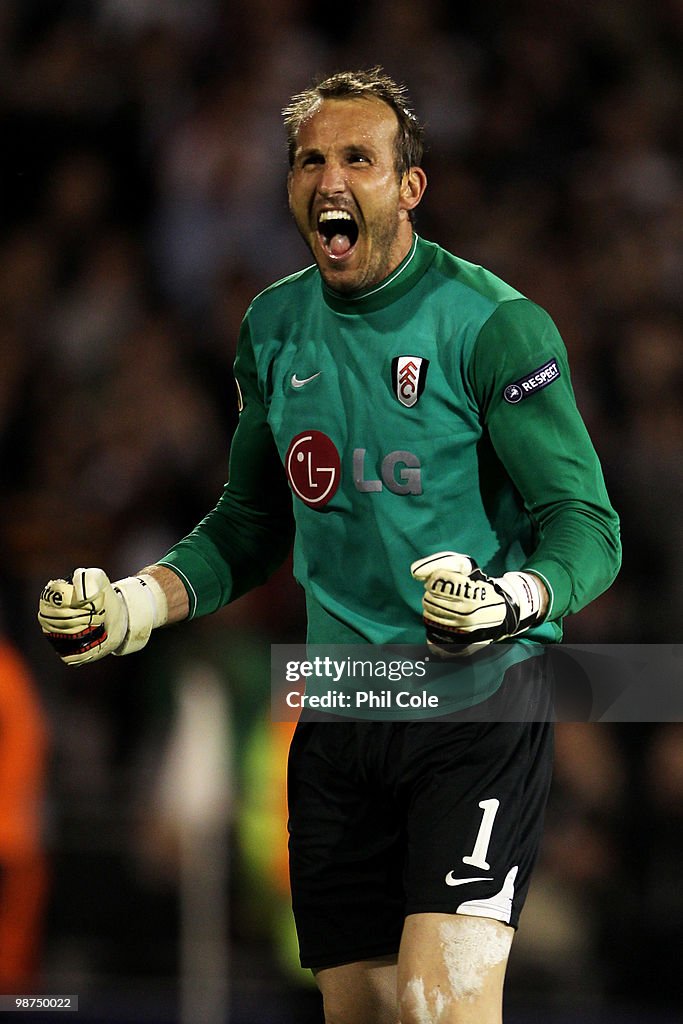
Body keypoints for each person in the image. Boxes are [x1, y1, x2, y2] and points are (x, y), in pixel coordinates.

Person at [38, 68, 621, 1024]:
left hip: (475, 708)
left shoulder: (494, 327)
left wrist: (511, 598)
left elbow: (586, 526)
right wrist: (136, 603)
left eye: (359, 157)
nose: (330, 177)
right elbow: (252, 520)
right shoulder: (273, 326)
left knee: (441, 1010)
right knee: (363, 1015)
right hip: (343, 709)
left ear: (409, 187)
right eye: (311, 159)